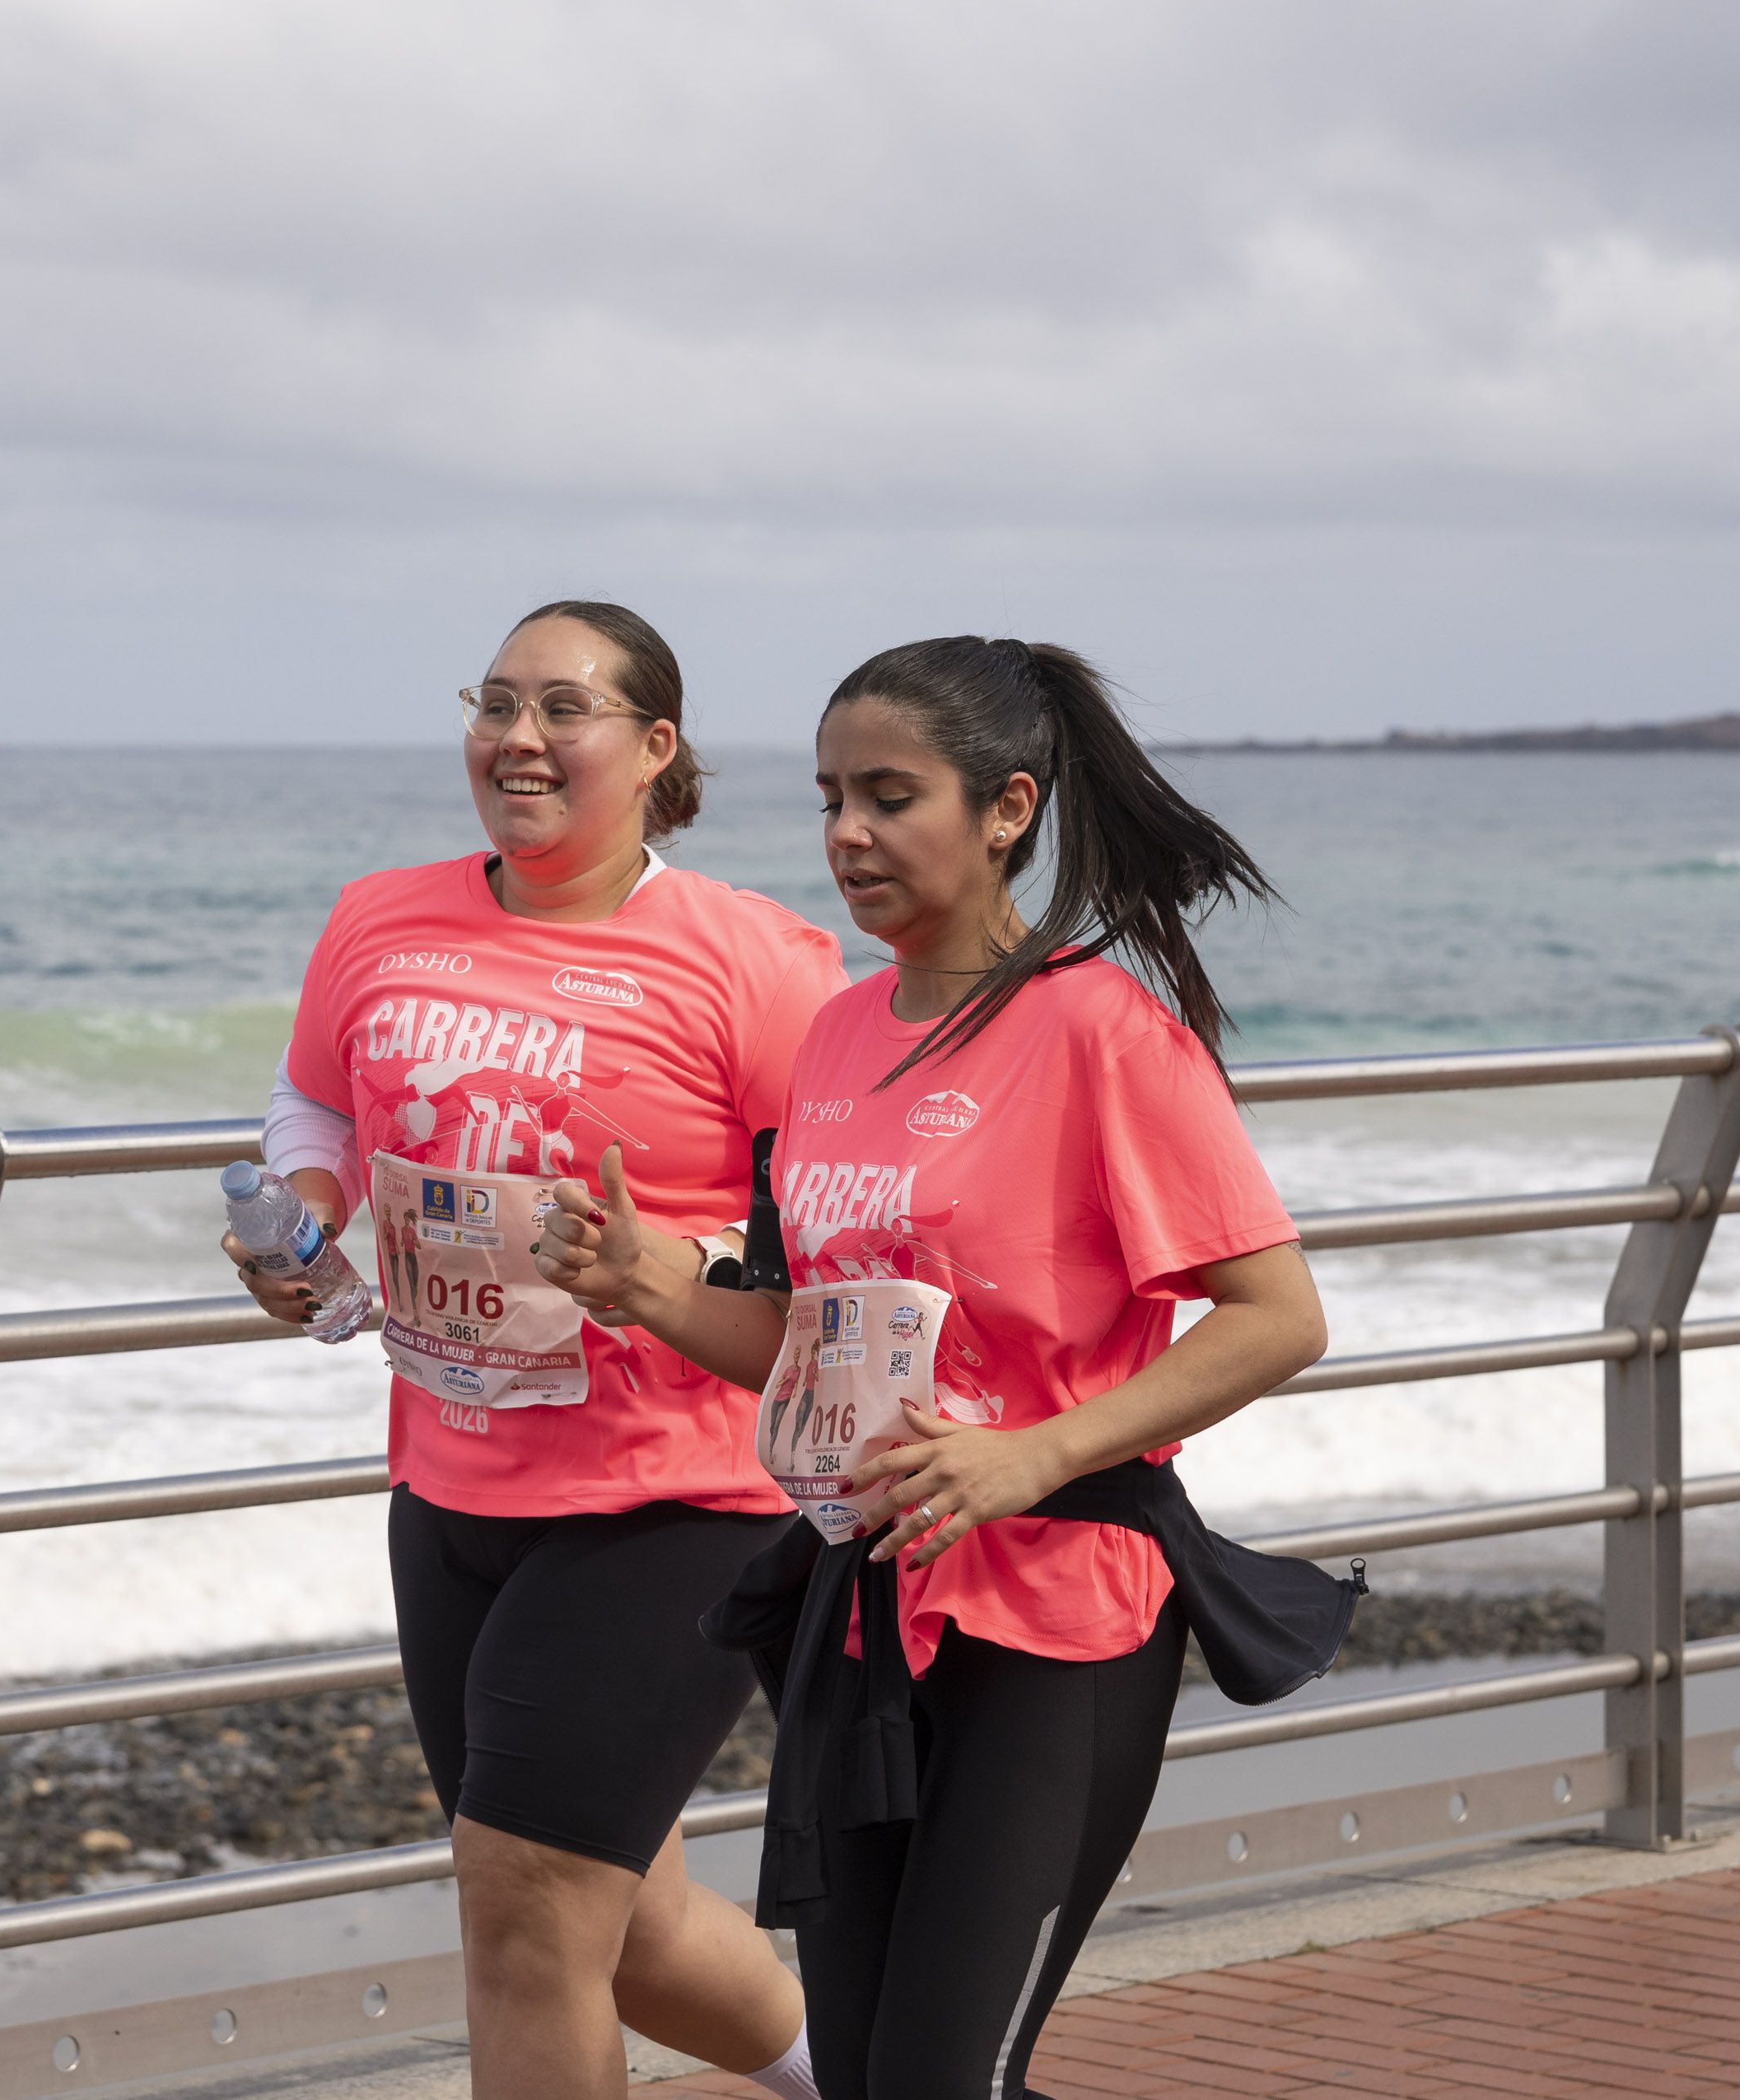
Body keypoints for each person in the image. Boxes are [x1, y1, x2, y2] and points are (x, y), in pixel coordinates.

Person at [531, 635, 1341, 2100]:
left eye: (891, 797)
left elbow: (1276, 1315)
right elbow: (803, 1336)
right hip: (865, 1616)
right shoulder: (838, 1039)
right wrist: (645, 1283)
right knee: (864, 2078)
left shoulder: (1102, 1029)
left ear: (1008, 808)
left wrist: (1032, 1451)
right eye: (832, 799)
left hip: (1059, 1622)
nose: (849, 835)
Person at [225, 601, 845, 2100]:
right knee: (615, 1927)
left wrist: (670, 1268)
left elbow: (842, 1220)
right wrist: (297, 1218)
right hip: (451, 1480)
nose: (517, 737)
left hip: (675, 1498)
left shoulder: (756, 961)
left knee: (518, 1912)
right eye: (494, 702)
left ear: (654, 747)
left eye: (563, 707)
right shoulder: (379, 915)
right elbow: (315, 1104)